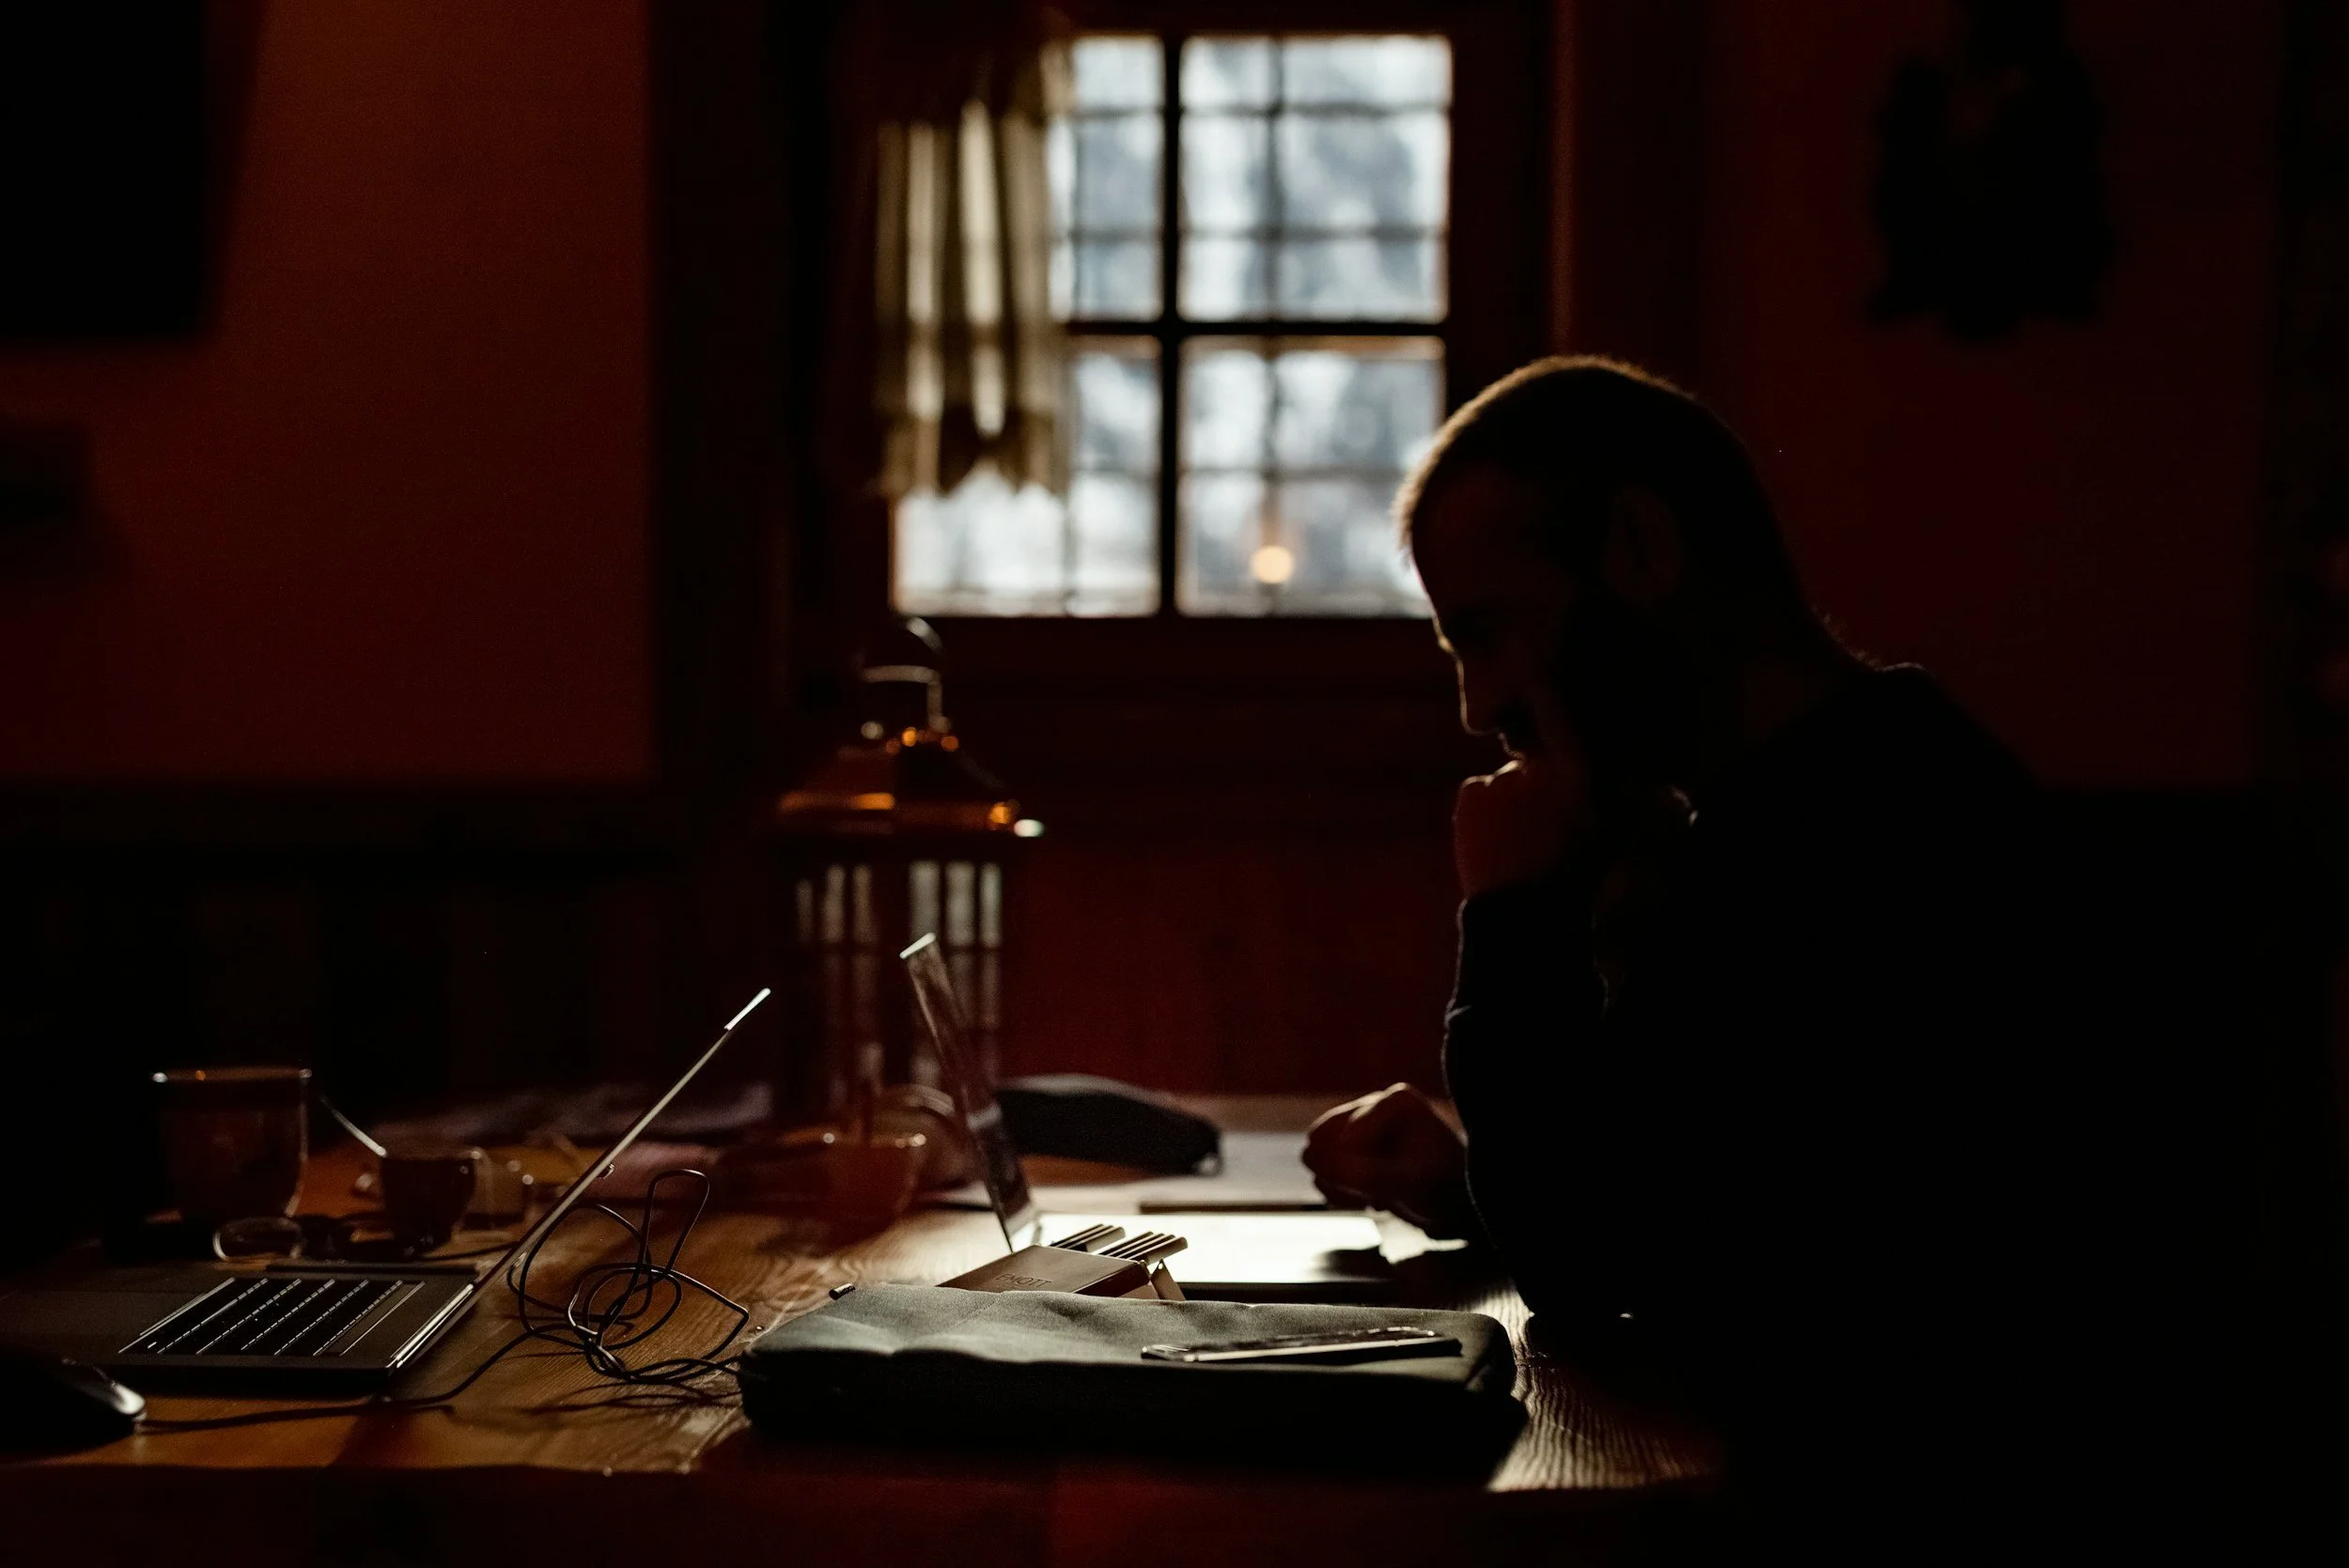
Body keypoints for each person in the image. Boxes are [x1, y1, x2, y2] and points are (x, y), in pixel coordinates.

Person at [1303, 356, 2112, 1556]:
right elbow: (1699, 1203)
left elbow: (1588, 1258)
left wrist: (1516, 917)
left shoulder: (1865, 832)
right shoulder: (1823, 792)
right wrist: (1473, 1180)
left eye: (1490, 632)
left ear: (1639, 547)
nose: (1479, 706)